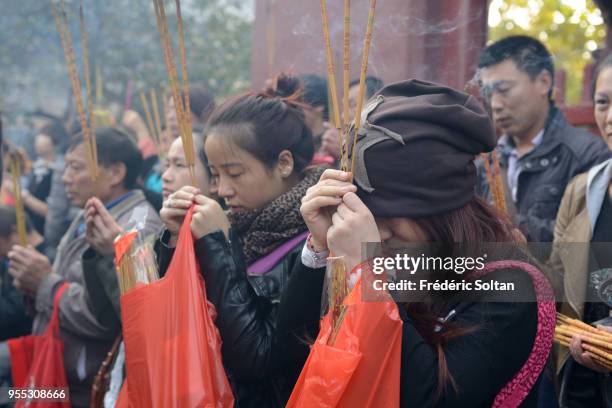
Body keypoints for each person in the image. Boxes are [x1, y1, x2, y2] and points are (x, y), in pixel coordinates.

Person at [294, 79, 555, 406]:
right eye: (367, 213)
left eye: (390, 213)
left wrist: (367, 273)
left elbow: (432, 397)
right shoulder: (400, 262)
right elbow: (295, 363)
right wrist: (320, 250)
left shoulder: (510, 286)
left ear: (440, 206)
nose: (379, 231)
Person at [159, 73, 323, 407]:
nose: (222, 190)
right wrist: (175, 242)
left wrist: (219, 245)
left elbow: (260, 359)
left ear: (283, 163)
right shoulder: (238, 222)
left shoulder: (317, 240)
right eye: (216, 175)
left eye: (235, 174)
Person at [0, 128, 162, 407]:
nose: (65, 178)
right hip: (55, 372)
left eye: (75, 168)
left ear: (115, 173)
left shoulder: (137, 225)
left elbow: (112, 317)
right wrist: (31, 282)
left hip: (88, 386)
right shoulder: (90, 213)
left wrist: (45, 285)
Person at [476, 35, 611, 243]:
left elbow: (582, 245)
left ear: (543, 82)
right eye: (488, 93)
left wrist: (504, 230)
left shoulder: (588, 155)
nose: (495, 104)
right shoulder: (485, 163)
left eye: (503, 90)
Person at [547, 53, 612, 407]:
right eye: (603, 102)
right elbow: (558, 277)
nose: (610, 117)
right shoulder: (582, 189)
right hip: (581, 383)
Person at [0, 206, 43, 342]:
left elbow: (15, 311)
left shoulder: (40, 262)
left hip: (25, 340)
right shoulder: (10, 257)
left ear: (14, 231)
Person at [319, 75, 384, 162]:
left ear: (374, 105)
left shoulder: (384, 145)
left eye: (352, 105)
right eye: (344, 107)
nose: (343, 116)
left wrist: (345, 151)